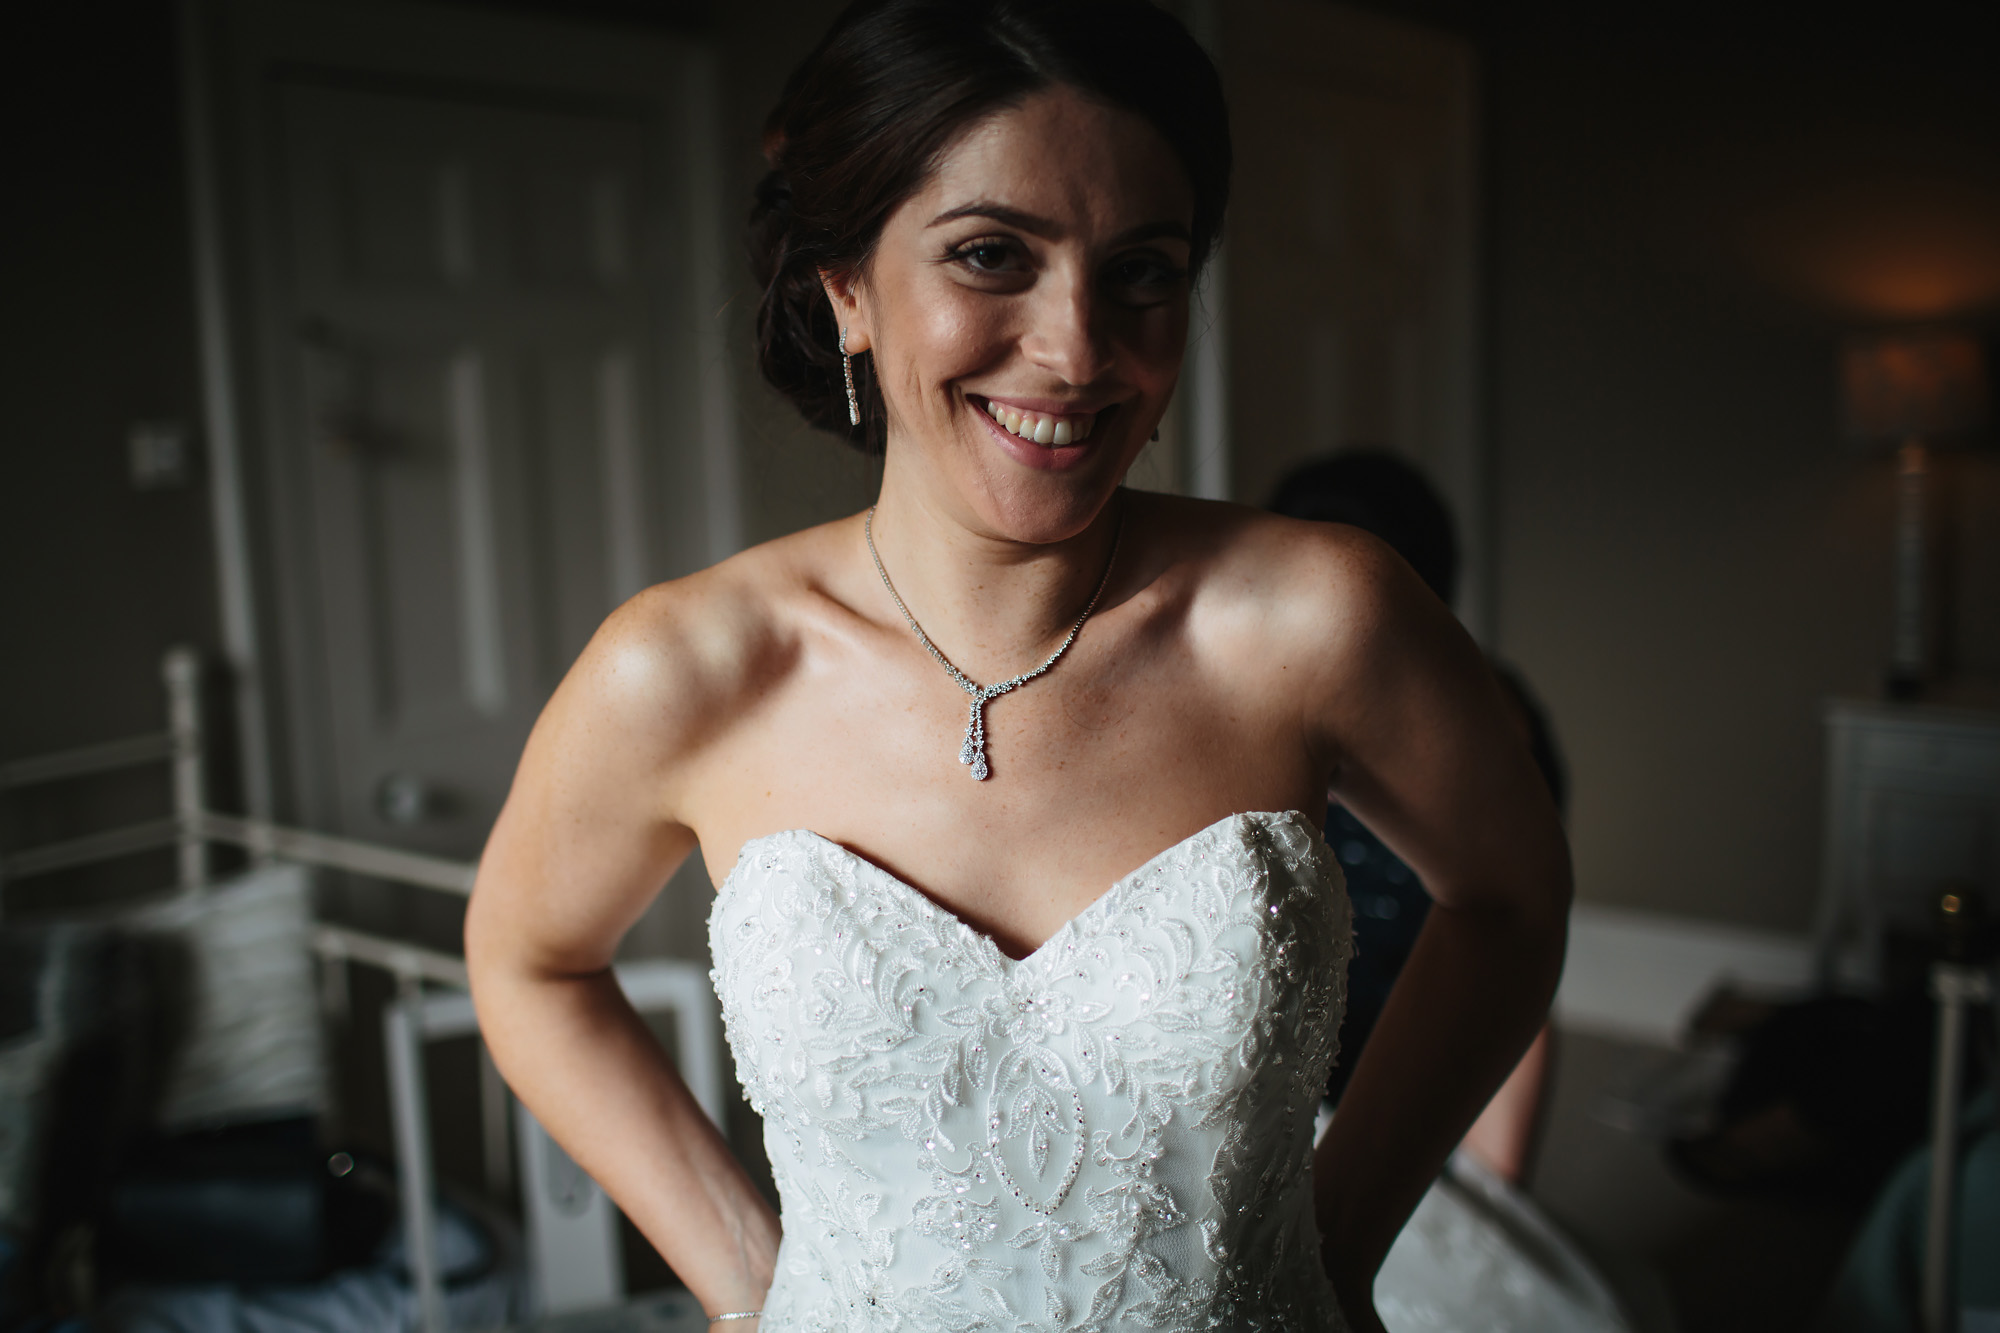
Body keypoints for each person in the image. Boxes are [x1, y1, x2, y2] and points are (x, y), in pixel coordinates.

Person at [464, 3, 1570, 1330]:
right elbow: (525, 960)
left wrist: (1340, 1231)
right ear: (847, 288)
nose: (1078, 350)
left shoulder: (1320, 619)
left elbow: (1512, 897)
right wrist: (750, 1282)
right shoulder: (689, 669)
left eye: (1143, 272)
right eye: (993, 255)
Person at [1268, 453, 1564, 1186]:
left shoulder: (1494, 728)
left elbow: (1516, 956)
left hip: (1424, 1074)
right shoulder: (1245, 709)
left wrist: (1498, 1196)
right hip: (1272, 1080)